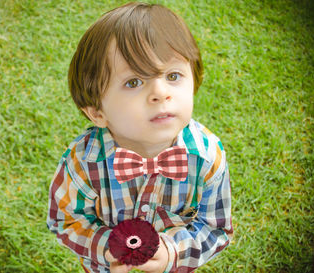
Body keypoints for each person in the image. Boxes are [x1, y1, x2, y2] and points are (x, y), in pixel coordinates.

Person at [47, 2, 233, 273]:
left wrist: (173, 252)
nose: (160, 92)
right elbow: (65, 221)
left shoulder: (207, 157)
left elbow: (216, 228)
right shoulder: (83, 163)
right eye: (134, 82)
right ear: (98, 112)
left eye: (173, 75)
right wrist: (104, 248)